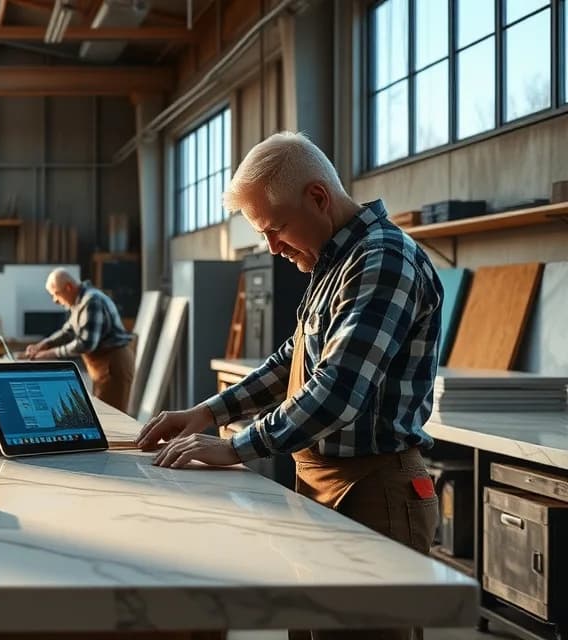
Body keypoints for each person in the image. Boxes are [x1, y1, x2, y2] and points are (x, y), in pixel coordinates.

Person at [136, 131, 443, 638]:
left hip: (375, 495)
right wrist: (209, 412)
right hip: (325, 484)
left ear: (317, 198)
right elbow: (292, 360)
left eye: (276, 229)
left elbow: (337, 391)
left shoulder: (383, 259)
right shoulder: (337, 263)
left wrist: (236, 447)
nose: (272, 248)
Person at [24, 268, 135, 412]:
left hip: (113, 365)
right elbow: (68, 331)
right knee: (101, 414)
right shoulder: (79, 302)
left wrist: (50, 354)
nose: (55, 300)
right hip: (103, 368)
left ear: (69, 287)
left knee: (112, 417)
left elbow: (86, 343)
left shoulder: (92, 301)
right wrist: (43, 345)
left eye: (56, 294)